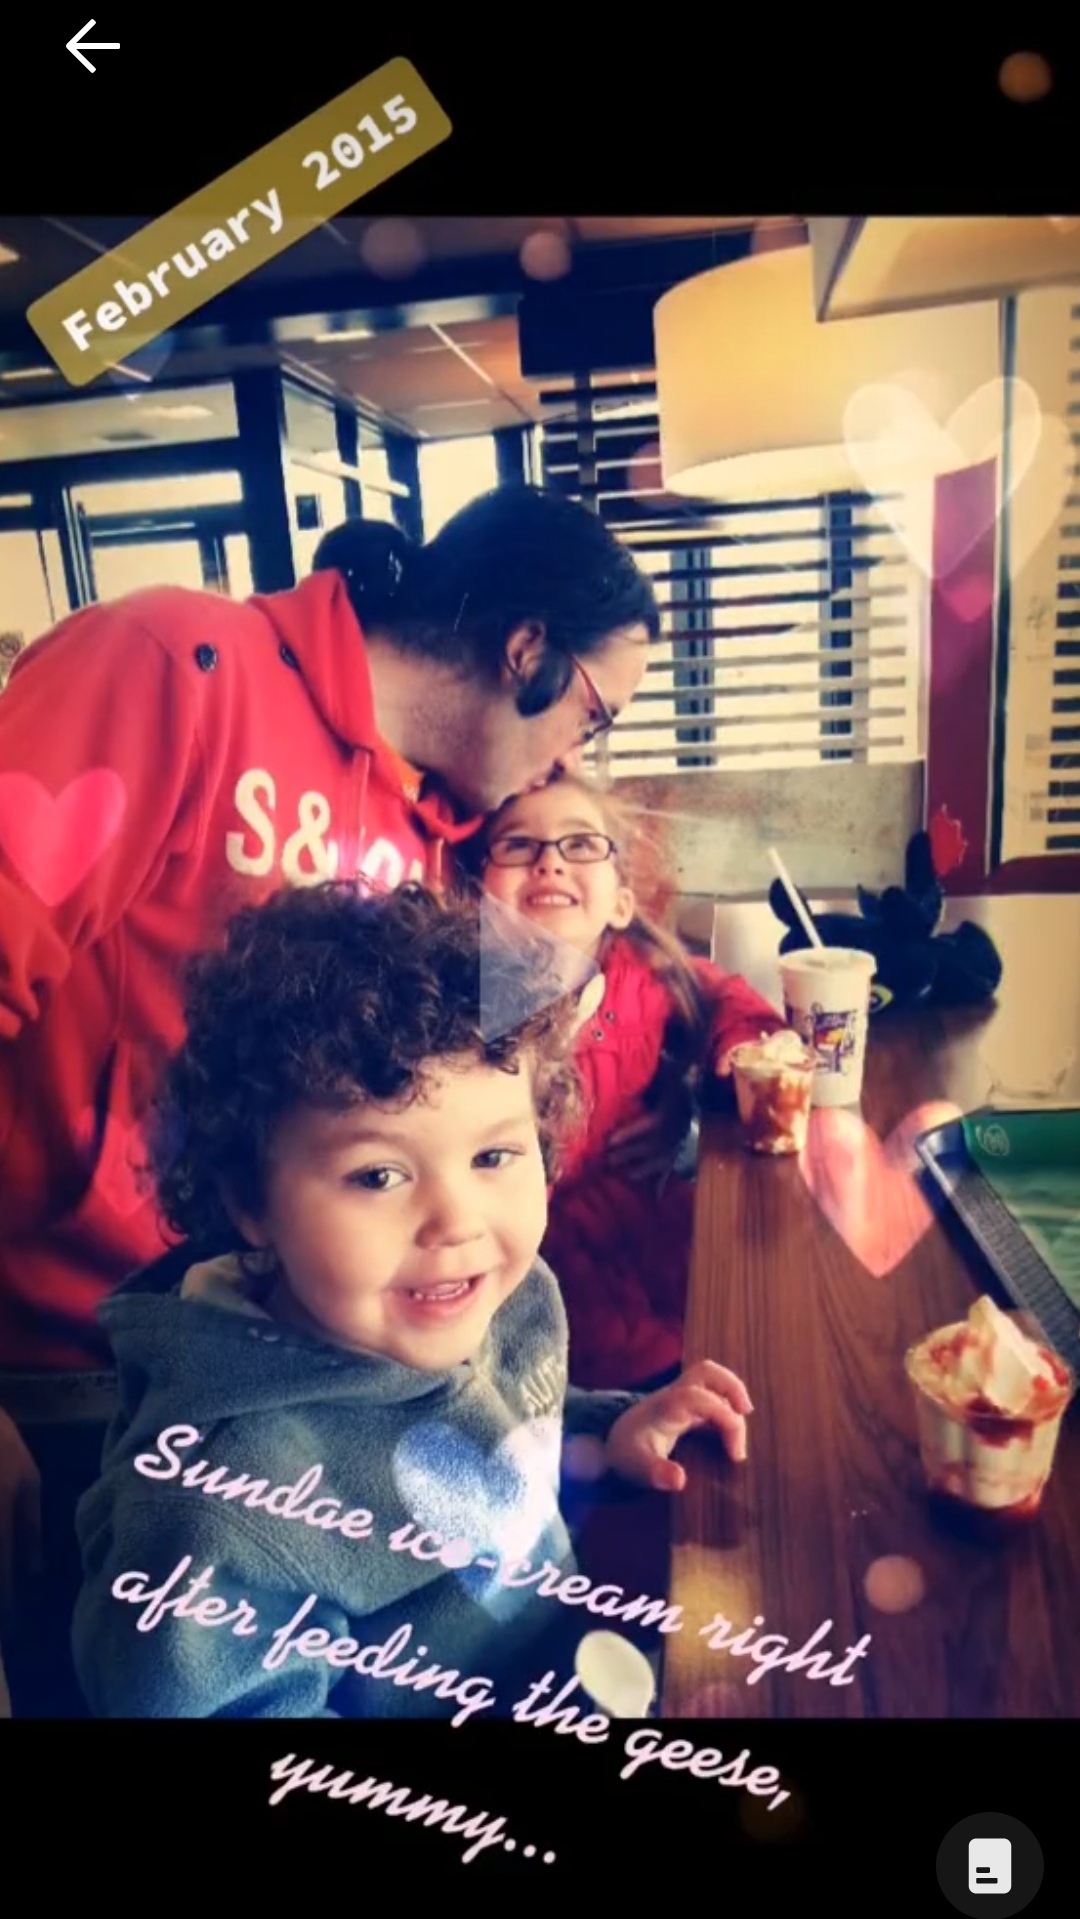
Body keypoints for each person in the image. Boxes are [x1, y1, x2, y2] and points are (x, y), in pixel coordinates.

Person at [0, 484, 660, 1702]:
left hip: (299, 1352)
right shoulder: (175, 666)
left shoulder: (425, 837)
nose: (576, 757)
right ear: (527, 649)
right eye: (592, 713)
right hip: (62, 1372)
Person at [73, 882, 752, 1718]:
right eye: (378, 1175)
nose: (457, 1221)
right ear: (250, 1200)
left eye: (495, 1156)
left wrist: (603, 1435)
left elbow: (500, 1419)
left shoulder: (481, 1297)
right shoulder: (218, 1513)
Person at [478, 774, 786, 1391]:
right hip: (537, 1283)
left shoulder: (647, 974)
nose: (549, 862)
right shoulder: (458, 1004)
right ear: (478, 893)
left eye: (581, 844)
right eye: (518, 845)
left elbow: (724, 1000)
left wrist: (731, 1061)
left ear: (621, 901)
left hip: (658, 1237)